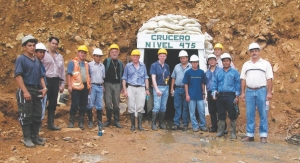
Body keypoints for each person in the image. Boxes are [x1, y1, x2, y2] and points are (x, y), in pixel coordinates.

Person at [15, 35, 47, 147]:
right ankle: (27, 138)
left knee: (37, 114)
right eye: (29, 45)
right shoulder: (21, 59)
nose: (32, 48)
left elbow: (41, 76)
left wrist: (44, 88)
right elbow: (18, 76)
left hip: (36, 89)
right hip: (26, 89)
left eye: (33, 45)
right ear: (24, 47)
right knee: (26, 115)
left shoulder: (36, 61)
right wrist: (25, 91)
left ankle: (35, 137)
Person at [240, 42, 273, 143]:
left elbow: (269, 79)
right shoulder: (246, 65)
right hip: (249, 91)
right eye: (252, 51)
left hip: (261, 90)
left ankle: (263, 135)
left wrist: (269, 92)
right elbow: (243, 79)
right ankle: (250, 135)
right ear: (249, 53)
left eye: (256, 51)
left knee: (263, 113)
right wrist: (242, 92)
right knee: (250, 113)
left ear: (259, 52)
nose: (254, 53)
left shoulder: (265, 64)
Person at [212, 53, 240, 139]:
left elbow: (237, 85)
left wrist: (237, 96)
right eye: (224, 61)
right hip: (220, 96)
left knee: (232, 114)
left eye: (227, 61)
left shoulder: (235, 72)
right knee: (221, 114)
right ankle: (221, 131)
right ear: (222, 62)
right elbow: (214, 84)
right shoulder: (218, 72)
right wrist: (213, 93)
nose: (226, 62)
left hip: (230, 96)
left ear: (230, 62)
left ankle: (233, 132)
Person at [122, 49, 150, 131]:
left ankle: (140, 125)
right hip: (131, 87)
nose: (135, 58)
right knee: (131, 106)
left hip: (141, 87)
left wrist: (147, 89)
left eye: (137, 56)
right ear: (131, 57)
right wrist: (125, 90)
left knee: (141, 106)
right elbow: (124, 78)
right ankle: (133, 125)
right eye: (134, 56)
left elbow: (146, 78)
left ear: (139, 57)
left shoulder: (143, 66)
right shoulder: (128, 66)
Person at [41, 37, 65, 130]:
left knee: (53, 103)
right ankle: (38, 124)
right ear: (49, 43)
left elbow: (62, 71)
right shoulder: (44, 54)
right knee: (42, 102)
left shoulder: (60, 57)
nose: (54, 45)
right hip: (46, 80)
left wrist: (62, 84)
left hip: (56, 81)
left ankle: (50, 124)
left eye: (56, 44)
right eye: (53, 43)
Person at [66, 45, 91, 130]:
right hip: (75, 87)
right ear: (78, 53)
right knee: (75, 105)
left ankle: (81, 122)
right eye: (81, 52)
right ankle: (71, 121)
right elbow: (69, 74)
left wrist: (89, 87)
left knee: (83, 105)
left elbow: (88, 76)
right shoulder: (72, 62)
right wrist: (69, 85)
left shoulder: (87, 64)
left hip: (84, 87)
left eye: (84, 53)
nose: (83, 54)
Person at [183, 54, 207, 132]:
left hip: (200, 95)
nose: (195, 64)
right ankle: (195, 126)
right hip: (191, 95)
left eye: (196, 62)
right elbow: (186, 84)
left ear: (198, 63)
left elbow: (203, 83)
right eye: (193, 62)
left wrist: (203, 92)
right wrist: (187, 94)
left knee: (201, 111)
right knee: (192, 112)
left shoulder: (201, 72)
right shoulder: (188, 72)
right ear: (191, 63)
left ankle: (203, 125)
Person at [103, 44, 123, 128]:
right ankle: (108, 120)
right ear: (110, 53)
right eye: (112, 52)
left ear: (118, 53)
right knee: (108, 103)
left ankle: (116, 121)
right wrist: (103, 85)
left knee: (116, 103)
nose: (114, 53)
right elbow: (102, 73)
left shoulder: (120, 63)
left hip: (117, 85)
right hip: (107, 84)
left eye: (116, 52)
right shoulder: (106, 61)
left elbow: (122, 75)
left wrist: (122, 87)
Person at [170, 50, 191, 131]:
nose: (182, 59)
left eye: (184, 58)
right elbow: (173, 77)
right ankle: (176, 123)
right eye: (181, 58)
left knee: (186, 107)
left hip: (187, 90)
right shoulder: (176, 66)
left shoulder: (191, 66)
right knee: (177, 106)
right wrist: (172, 88)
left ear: (187, 58)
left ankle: (185, 124)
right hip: (178, 88)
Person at [150, 48, 170, 131]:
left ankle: (161, 123)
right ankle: (153, 124)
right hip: (158, 87)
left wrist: (166, 81)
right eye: (161, 56)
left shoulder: (167, 66)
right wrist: (157, 89)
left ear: (166, 57)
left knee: (163, 107)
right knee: (157, 106)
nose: (162, 57)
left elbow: (168, 76)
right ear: (158, 56)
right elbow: (153, 78)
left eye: (164, 56)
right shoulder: (154, 65)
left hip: (165, 87)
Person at [86, 48, 105, 129]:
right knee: (90, 104)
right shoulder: (89, 65)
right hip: (92, 86)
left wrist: (103, 86)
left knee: (99, 105)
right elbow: (88, 76)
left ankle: (99, 122)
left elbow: (103, 77)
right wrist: (89, 86)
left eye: (100, 56)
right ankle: (90, 121)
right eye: (97, 56)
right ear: (93, 56)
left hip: (100, 86)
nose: (98, 58)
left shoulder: (102, 66)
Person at [35, 43, 48, 142]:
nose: (42, 54)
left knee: (41, 111)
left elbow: (42, 76)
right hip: (36, 89)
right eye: (40, 52)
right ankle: (33, 134)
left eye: (43, 53)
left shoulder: (40, 64)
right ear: (35, 52)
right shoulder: (35, 63)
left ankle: (36, 134)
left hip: (42, 90)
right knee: (36, 112)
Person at [204, 54, 221, 133]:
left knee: (220, 110)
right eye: (210, 60)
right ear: (208, 62)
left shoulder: (220, 71)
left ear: (216, 61)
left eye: (213, 59)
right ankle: (214, 126)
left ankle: (222, 128)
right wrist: (206, 94)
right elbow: (205, 84)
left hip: (219, 92)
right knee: (212, 110)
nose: (212, 61)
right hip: (210, 92)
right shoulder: (206, 73)